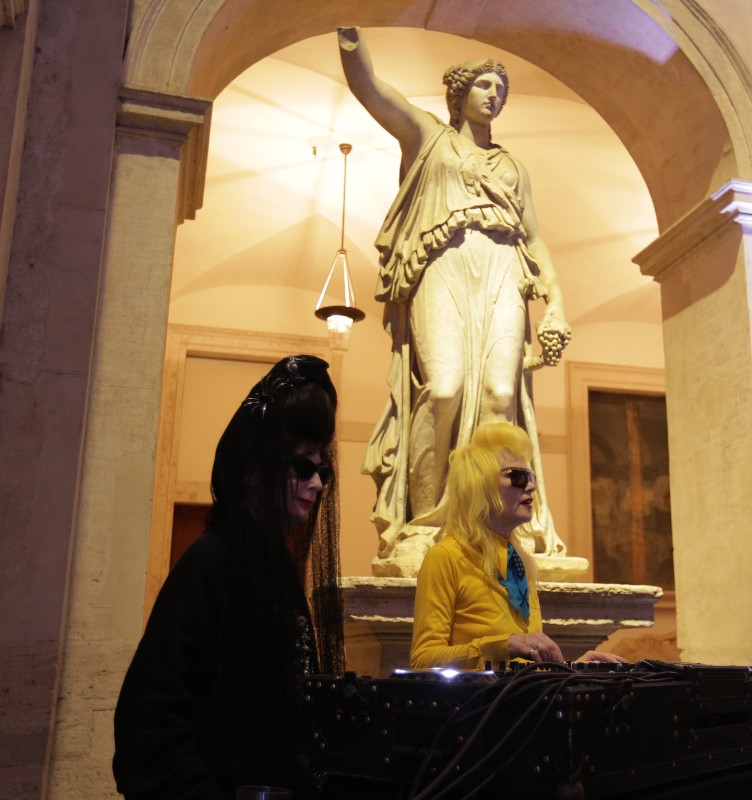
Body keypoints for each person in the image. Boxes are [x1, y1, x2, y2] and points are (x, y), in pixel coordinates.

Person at [338, 27, 572, 574]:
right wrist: (347, 30)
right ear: (460, 93)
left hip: (503, 270)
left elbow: (534, 238)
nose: (494, 95)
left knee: (499, 395)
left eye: (501, 89)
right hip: (441, 265)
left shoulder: (513, 167)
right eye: (484, 85)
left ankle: (494, 526)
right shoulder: (429, 137)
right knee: (444, 388)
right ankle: (426, 526)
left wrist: (557, 302)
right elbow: (370, 88)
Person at [113, 355, 344, 799]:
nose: (317, 484)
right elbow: (148, 724)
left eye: (323, 471)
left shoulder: (276, 570)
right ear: (254, 471)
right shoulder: (210, 564)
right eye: (303, 467)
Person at [410, 422, 625, 669]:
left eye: (531, 477)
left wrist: (574, 668)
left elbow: (525, 665)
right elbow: (423, 660)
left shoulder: (520, 562)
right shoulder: (445, 557)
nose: (531, 486)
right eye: (518, 477)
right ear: (480, 484)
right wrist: (503, 646)